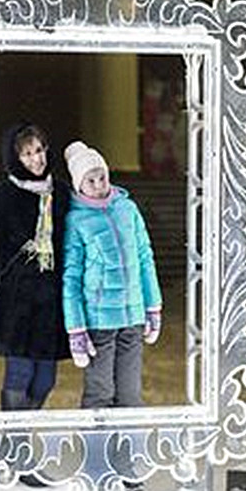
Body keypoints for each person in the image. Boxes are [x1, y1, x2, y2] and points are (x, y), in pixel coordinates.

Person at [62, 140, 162, 409]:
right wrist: (76, 329)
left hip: (133, 317)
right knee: (100, 393)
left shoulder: (127, 210)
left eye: (101, 177)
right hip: (99, 323)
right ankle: (95, 450)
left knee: (130, 395)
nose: (98, 184)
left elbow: (144, 258)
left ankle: (131, 450)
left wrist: (153, 307)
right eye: (90, 180)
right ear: (78, 185)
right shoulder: (76, 221)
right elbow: (70, 278)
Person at [0, 122, 70, 412]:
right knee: (20, 374)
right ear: (15, 159)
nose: (37, 159)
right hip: (17, 301)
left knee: (45, 380)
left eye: (40, 150)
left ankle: (22, 431)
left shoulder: (61, 192)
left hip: (52, 302)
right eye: (27, 154)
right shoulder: (7, 193)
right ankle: (14, 446)